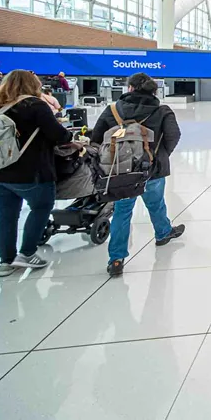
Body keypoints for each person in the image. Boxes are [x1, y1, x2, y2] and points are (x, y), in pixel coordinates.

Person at [0, 70, 75, 276]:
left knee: (4, 214)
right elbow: (59, 135)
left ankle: (6, 262)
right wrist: (69, 134)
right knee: (41, 207)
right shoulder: (34, 105)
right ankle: (27, 253)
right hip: (28, 171)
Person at [90, 72, 184, 276]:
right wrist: (160, 155)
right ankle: (163, 233)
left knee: (122, 212)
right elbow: (174, 135)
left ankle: (116, 258)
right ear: (154, 91)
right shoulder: (161, 110)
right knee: (156, 203)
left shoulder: (113, 110)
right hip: (152, 168)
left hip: (121, 172)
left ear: (130, 88)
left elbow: (96, 138)